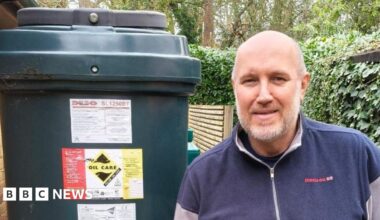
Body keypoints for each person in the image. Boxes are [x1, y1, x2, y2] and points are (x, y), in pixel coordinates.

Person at [174, 30, 380, 220]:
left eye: (278, 79)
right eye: (250, 81)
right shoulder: (201, 177)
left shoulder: (357, 156)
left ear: (302, 85)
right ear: (235, 88)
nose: (263, 96)